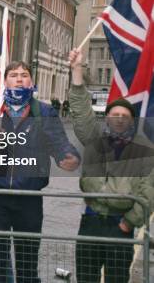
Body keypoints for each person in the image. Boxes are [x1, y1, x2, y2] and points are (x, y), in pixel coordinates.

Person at [0, 61, 81, 282]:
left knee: (26, 260)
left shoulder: (43, 111)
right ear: (5, 81)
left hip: (29, 197)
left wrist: (69, 156)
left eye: (24, 75)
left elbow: (59, 143)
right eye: (13, 75)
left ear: (31, 81)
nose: (19, 79)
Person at [68, 48, 154, 282]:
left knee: (116, 278)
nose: (119, 118)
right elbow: (81, 112)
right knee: (86, 276)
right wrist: (77, 70)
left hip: (120, 223)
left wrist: (130, 222)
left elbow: (149, 191)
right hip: (91, 220)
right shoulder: (95, 139)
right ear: (107, 118)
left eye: (124, 115)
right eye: (114, 114)